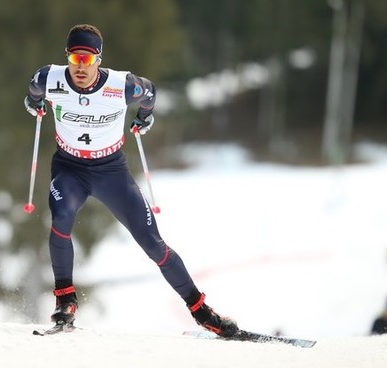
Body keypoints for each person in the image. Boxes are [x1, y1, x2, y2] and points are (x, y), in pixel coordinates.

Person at [23, 24, 239, 337]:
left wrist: (144, 117)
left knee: (154, 244)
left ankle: (201, 310)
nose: (80, 67)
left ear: (99, 60)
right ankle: (65, 301)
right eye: (74, 59)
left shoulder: (122, 86)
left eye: (87, 60)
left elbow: (150, 93)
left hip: (112, 172)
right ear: (67, 58)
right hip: (70, 169)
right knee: (62, 217)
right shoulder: (49, 78)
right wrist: (35, 103)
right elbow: (33, 91)